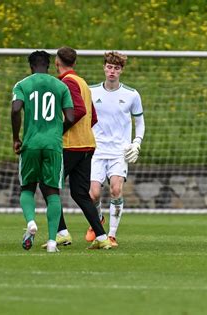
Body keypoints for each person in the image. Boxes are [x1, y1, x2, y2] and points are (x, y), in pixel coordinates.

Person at [39, 46, 111, 250]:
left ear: (56, 62)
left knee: (47, 185)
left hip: (71, 146)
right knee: (79, 193)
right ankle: (101, 236)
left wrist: (60, 130)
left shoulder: (67, 82)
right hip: (87, 144)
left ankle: (61, 233)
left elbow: (78, 110)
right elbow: (93, 116)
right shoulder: (82, 83)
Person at [11, 50, 74, 253]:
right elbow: (71, 117)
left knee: (27, 187)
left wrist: (16, 138)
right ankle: (52, 242)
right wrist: (55, 132)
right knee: (52, 191)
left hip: (30, 143)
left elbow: (15, 109)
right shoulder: (61, 86)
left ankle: (31, 222)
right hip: (53, 145)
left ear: (31, 66)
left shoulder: (22, 85)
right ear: (49, 65)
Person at [87, 51, 145, 247]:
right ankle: (99, 219)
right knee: (93, 194)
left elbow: (140, 122)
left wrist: (136, 142)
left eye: (116, 68)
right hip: (96, 150)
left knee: (116, 189)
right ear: (104, 67)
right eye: (109, 67)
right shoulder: (91, 91)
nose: (112, 71)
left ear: (122, 70)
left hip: (119, 151)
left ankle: (111, 235)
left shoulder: (131, 94)